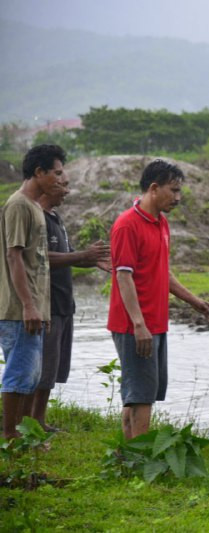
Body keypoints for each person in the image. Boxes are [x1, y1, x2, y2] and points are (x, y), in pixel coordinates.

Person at [107, 159, 209, 439]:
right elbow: (123, 276)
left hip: (155, 322)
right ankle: (141, 456)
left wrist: (194, 301)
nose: (178, 198)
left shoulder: (161, 223)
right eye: (174, 190)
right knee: (141, 394)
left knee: (143, 390)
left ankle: (130, 451)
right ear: (154, 188)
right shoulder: (126, 225)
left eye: (180, 191)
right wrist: (138, 324)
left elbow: (162, 272)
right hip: (134, 324)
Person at [32, 173, 111, 431]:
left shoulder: (56, 218)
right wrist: (81, 255)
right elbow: (40, 257)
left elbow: (67, 256)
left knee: (53, 368)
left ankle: (38, 420)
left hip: (64, 302)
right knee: (42, 370)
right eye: (63, 185)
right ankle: (30, 423)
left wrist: (89, 259)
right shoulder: (37, 217)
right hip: (47, 303)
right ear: (46, 185)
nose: (67, 191)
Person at [0, 144, 64, 439]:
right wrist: (28, 305)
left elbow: (39, 264)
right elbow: (14, 257)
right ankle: (11, 436)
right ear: (39, 172)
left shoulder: (36, 208)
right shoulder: (18, 206)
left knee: (31, 374)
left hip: (34, 308)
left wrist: (43, 309)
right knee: (19, 373)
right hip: (17, 308)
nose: (60, 179)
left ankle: (24, 434)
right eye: (56, 173)